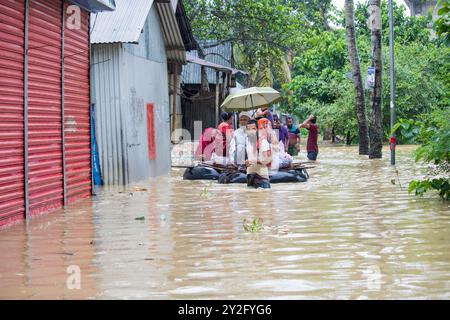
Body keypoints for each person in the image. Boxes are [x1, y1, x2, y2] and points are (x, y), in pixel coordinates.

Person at [245, 119, 271, 189]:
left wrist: (255, 161)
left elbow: (268, 161)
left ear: (257, 129)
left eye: (253, 129)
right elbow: (247, 159)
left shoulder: (263, 142)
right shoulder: (247, 142)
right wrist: (246, 162)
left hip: (262, 179)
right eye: (248, 129)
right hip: (250, 178)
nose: (251, 131)